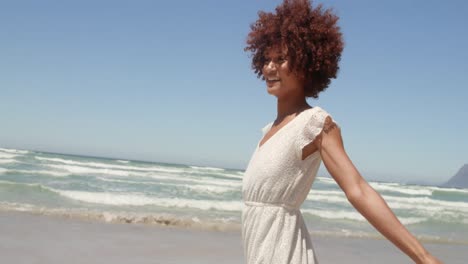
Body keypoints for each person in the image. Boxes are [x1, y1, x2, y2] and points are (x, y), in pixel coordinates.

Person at [241, 0, 442, 263]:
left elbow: (357, 189)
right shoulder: (269, 130)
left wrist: (423, 257)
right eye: (266, 58)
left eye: (281, 59)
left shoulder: (314, 123)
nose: (269, 67)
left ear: (305, 64)